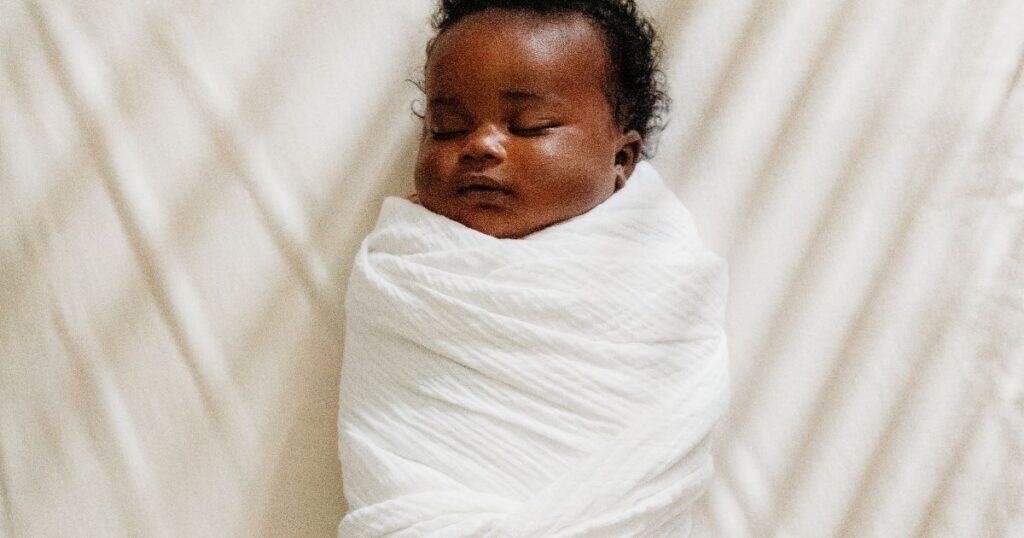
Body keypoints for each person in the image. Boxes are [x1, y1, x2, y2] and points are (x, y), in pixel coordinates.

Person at [404, 0, 669, 240]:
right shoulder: (401, 246)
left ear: (620, 158)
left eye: (531, 126)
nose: (480, 144)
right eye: (447, 128)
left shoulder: (652, 259)